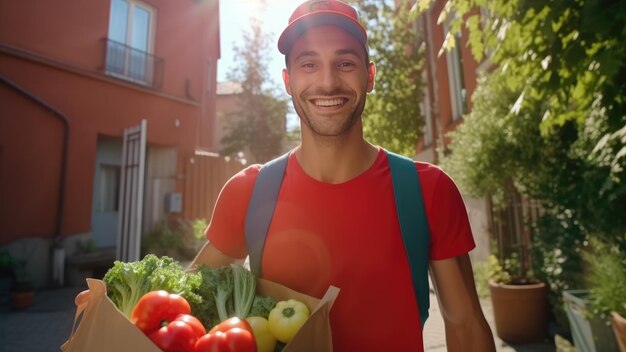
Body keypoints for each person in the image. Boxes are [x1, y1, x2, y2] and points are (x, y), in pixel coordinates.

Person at [78, 1, 496, 350]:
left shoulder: (427, 190)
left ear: (369, 77)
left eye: (345, 62)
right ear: (288, 81)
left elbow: (465, 327)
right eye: (309, 64)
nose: (328, 81)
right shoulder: (250, 191)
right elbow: (183, 307)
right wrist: (117, 309)